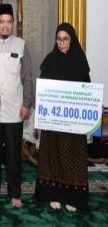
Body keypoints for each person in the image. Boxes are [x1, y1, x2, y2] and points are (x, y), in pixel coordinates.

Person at [35, 23, 90, 212]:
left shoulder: (80, 61)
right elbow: (42, 89)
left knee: (73, 158)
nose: (61, 43)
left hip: (73, 124)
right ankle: (54, 194)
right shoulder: (50, 60)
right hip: (53, 122)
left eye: (65, 39)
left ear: (72, 40)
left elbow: (87, 90)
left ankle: (73, 198)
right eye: (58, 39)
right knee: (53, 156)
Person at [0, 3, 33, 208]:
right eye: (1, 22)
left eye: (8, 22)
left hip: (15, 110)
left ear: (12, 24)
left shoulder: (21, 45)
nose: (5, 26)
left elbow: (28, 77)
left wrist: (27, 104)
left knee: (13, 155)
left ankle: (15, 192)